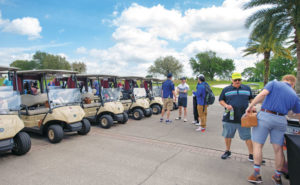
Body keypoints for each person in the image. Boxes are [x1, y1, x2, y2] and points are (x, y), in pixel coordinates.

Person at [246, 75, 300, 184]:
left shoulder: (274, 83)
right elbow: (298, 114)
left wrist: (250, 106)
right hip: (281, 120)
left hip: (266, 116)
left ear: (283, 80)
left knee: (258, 145)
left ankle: (256, 175)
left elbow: (262, 94)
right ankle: (277, 177)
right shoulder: (294, 95)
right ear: (293, 84)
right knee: (278, 149)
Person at [219, 72, 255, 161]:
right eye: (236, 80)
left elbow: (251, 98)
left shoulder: (247, 88)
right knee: (227, 135)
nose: (238, 81)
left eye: (239, 79)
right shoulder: (226, 89)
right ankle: (227, 151)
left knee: (247, 137)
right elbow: (221, 100)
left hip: (244, 117)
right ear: (232, 80)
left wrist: (252, 105)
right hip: (229, 118)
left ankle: (252, 155)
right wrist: (226, 106)